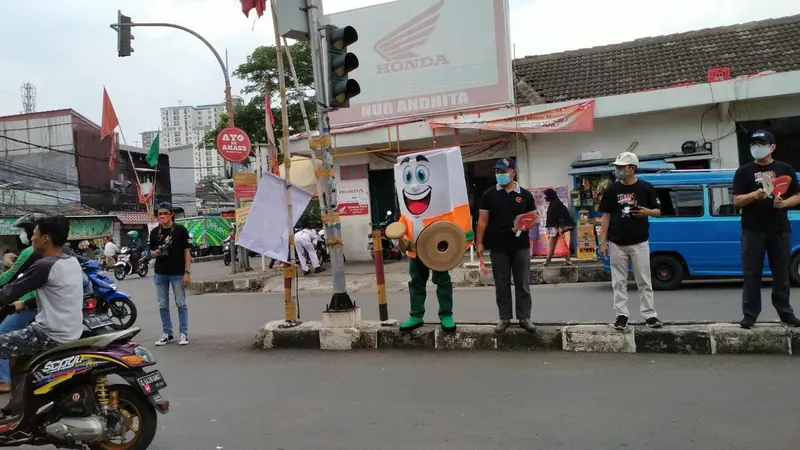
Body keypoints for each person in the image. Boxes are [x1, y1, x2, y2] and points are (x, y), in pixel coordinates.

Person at [0, 216, 83, 406]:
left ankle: (16, 400)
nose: (31, 239)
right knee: (16, 355)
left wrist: (13, 300)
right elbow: (60, 294)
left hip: (49, 334)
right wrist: (26, 303)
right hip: (70, 331)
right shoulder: (70, 260)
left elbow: (6, 293)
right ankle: (20, 404)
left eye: (34, 234)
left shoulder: (44, 265)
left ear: (45, 238)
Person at [732, 130, 800, 329]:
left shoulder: (785, 169)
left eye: (761, 143)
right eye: (753, 144)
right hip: (752, 230)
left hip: (779, 229)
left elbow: (797, 195)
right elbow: (737, 200)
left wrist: (784, 203)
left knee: (781, 272)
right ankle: (750, 315)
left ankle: (785, 312)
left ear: (772, 147)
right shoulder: (743, 171)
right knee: (751, 273)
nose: (756, 147)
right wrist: (755, 195)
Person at [599, 151, 663, 330]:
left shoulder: (646, 187)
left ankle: (650, 315)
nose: (618, 170)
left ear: (632, 168)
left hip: (640, 242)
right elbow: (606, 216)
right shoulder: (612, 189)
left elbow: (659, 211)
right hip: (616, 243)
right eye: (617, 167)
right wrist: (603, 242)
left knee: (644, 280)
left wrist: (646, 212)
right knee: (618, 281)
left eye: (622, 167)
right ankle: (621, 315)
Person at [476, 158, 536, 333]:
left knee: (522, 283)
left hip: (521, 246)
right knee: (501, 284)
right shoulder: (488, 195)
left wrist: (525, 224)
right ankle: (505, 318)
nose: (499, 175)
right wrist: (479, 243)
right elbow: (482, 222)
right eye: (497, 172)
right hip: (498, 247)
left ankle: (524, 317)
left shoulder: (525, 195)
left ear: (513, 172)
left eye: (503, 171)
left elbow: (533, 218)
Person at [0, 213, 46, 393]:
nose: (27, 236)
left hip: (32, 302)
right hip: (39, 301)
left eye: (29, 232)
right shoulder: (63, 254)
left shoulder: (31, 251)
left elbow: (12, 279)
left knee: (2, 332)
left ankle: (3, 380)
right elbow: (23, 273)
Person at [149, 202, 192, 346]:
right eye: (160, 214)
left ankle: (183, 333)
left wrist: (187, 272)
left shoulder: (180, 230)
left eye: (165, 213)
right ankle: (167, 333)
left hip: (178, 273)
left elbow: (187, 251)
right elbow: (151, 251)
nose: (162, 216)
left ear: (171, 214)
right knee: (162, 305)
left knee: (181, 303)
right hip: (160, 273)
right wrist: (155, 253)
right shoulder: (155, 232)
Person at [542, 188, 576, 266]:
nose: (545, 197)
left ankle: (547, 261)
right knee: (555, 245)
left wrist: (561, 227)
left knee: (552, 246)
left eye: (546, 195)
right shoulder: (553, 202)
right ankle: (568, 260)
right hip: (553, 227)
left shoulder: (557, 204)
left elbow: (561, 215)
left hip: (555, 227)